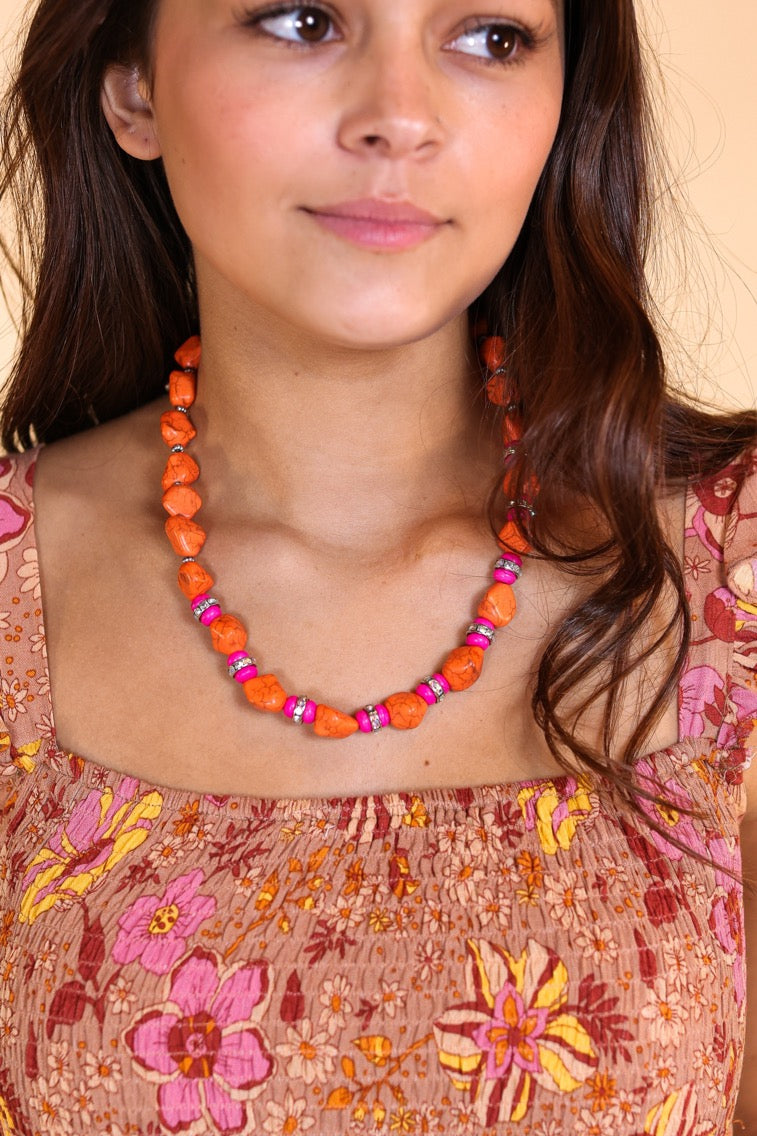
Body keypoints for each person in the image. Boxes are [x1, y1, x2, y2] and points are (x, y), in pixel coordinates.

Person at [0, 0, 754, 1132]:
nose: (400, 118)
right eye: (302, 20)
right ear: (133, 87)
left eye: (490, 36)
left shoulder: (732, 565)